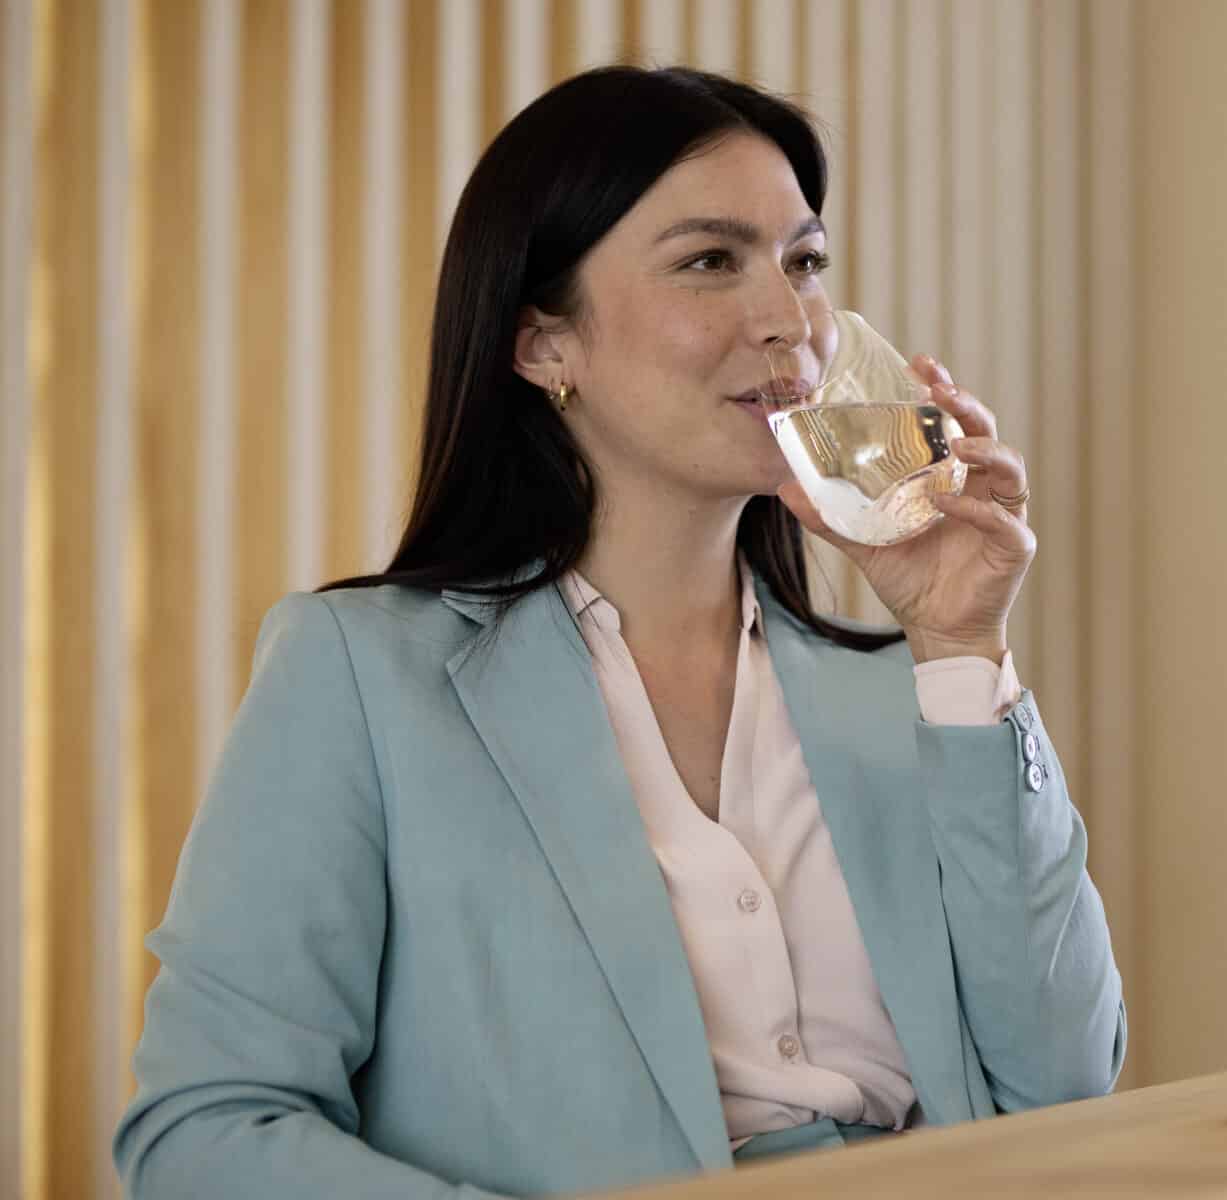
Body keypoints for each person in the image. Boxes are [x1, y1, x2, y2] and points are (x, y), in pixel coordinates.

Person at [113, 66, 1125, 1199]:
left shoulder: (911, 694)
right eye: (710, 262)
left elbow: (1064, 1084)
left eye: (803, 262)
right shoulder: (360, 675)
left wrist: (961, 648)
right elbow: (205, 1129)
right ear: (545, 347)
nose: (788, 320)